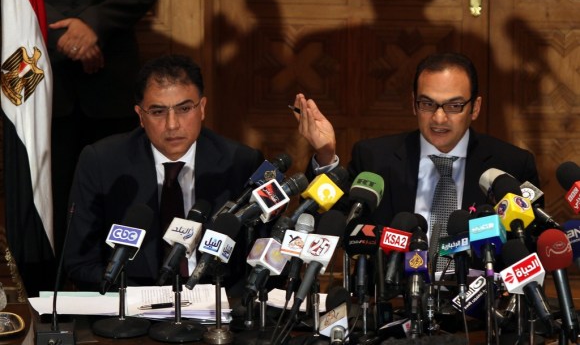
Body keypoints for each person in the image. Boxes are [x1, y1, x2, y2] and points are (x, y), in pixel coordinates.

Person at [64, 54, 264, 291]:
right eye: (158, 112)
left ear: (202, 108)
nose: (172, 124)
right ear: (140, 116)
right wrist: (136, 297)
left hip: (217, 301)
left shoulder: (242, 164)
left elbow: (264, 257)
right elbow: (79, 262)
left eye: (184, 109)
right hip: (131, 302)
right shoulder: (102, 162)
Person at [293, 52, 540, 230]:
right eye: (427, 104)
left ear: (474, 108)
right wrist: (325, 155)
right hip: (392, 287)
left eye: (454, 106)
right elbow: (322, 222)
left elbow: (531, 241)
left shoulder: (512, 165)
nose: (439, 118)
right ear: (414, 104)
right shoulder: (374, 159)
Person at [44, 0, 162, 278]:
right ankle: (51, 290)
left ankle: (118, 282)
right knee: (50, 197)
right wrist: (62, 36)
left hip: (110, 78)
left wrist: (94, 25)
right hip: (41, 77)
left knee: (119, 193)